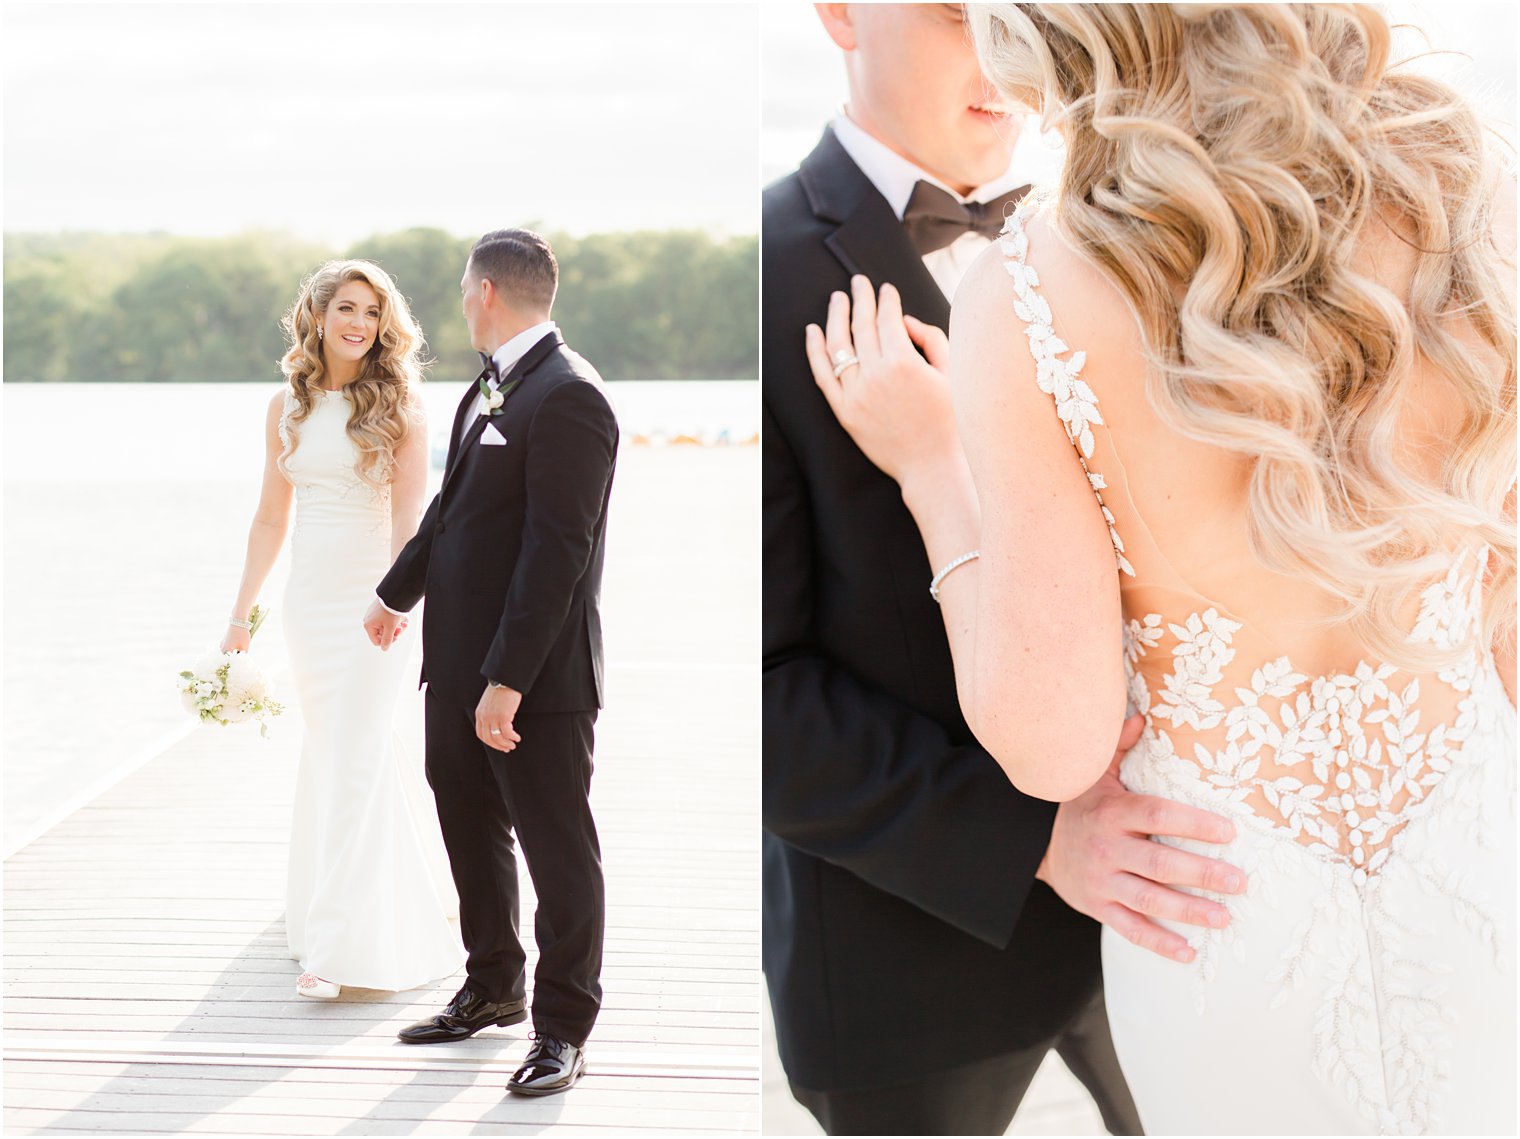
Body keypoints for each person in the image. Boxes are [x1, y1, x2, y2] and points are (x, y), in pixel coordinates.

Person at [808, 4, 1516, 1133]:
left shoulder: (1034, 285)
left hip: (1226, 925)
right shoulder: (1464, 181)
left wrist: (933, 471)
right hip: (1487, 886)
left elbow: (1053, 739)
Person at [763, 5, 1249, 1134]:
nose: (1004, 55)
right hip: (913, 971)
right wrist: (1033, 840)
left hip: (1178, 911)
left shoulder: (1139, 237)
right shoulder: (770, 271)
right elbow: (758, 685)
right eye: (952, 10)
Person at [363, 229, 618, 1099]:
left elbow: (559, 551)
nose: (460, 299)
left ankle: (563, 1027)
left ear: (485, 292)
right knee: (467, 822)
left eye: (464, 289)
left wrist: (508, 679)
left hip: (534, 680)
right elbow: (453, 508)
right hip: (455, 665)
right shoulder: (489, 385)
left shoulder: (570, 396)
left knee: (557, 847)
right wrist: (397, 593)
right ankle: (493, 984)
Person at [221, 259, 465, 1000]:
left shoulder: (403, 406)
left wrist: (395, 599)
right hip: (309, 605)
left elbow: (408, 518)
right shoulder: (284, 408)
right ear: (319, 317)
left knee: (358, 753)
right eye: (348, 309)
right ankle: (371, 904)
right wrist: (239, 619)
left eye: (373, 312)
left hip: (376, 606)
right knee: (336, 753)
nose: (360, 323)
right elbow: (270, 518)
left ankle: (334, 947)